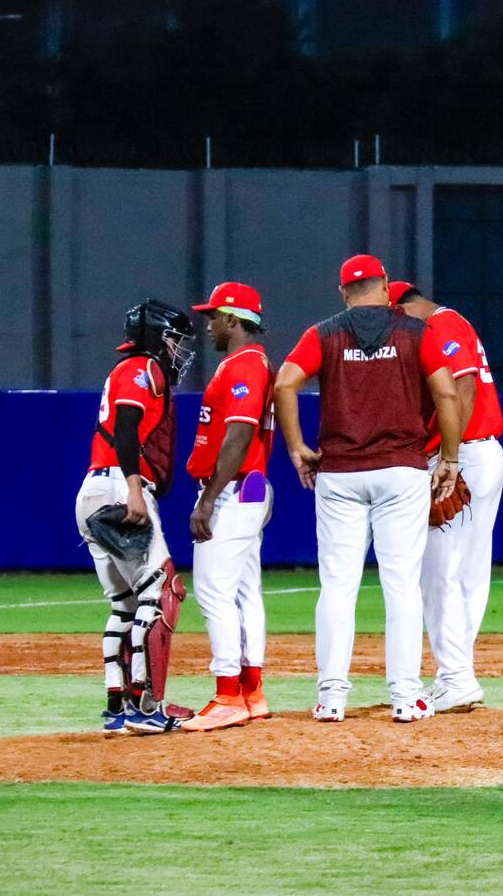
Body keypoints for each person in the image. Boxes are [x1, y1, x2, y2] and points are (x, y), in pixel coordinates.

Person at [274, 255, 463, 724]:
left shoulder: (324, 333)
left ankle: (331, 697)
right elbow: (447, 392)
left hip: (340, 473)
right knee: (401, 585)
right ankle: (406, 696)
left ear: (344, 292)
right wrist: (451, 459)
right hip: (401, 471)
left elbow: (284, 384)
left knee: (338, 586)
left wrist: (297, 447)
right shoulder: (416, 332)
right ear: (384, 286)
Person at [74, 298, 196, 735]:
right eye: (175, 339)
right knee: (162, 591)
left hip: (94, 489)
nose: (179, 349)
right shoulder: (142, 368)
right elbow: (126, 425)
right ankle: (146, 706)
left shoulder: (129, 369)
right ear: (156, 336)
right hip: (119, 485)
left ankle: (117, 707)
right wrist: (132, 488)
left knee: (125, 603)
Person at [391, 281, 503, 713]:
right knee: (464, 574)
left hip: (464, 456)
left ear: (403, 307)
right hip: (473, 454)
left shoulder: (442, 324)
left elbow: (463, 388)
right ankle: (457, 674)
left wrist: (448, 458)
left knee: (439, 573)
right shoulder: (446, 324)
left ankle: (456, 677)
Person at [180, 282, 277, 733]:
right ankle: (251, 691)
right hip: (247, 488)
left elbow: (239, 435)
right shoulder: (252, 363)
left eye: (214, 317)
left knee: (214, 590)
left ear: (235, 321)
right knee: (242, 591)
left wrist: (208, 499)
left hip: (233, 490)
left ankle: (228, 695)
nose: (209, 325)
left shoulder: (245, 365)